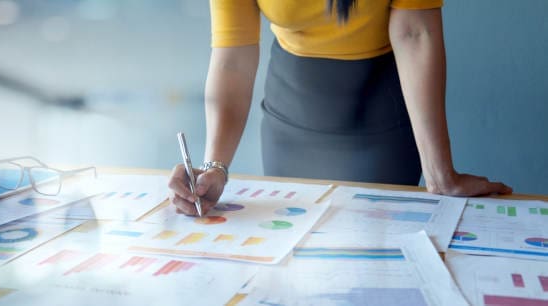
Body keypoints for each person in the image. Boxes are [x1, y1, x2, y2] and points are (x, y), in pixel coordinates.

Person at [168, 0, 512, 216]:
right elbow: (233, 60)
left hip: (379, 108)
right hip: (291, 113)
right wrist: (216, 168)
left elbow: (414, 32)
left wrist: (441, 175)